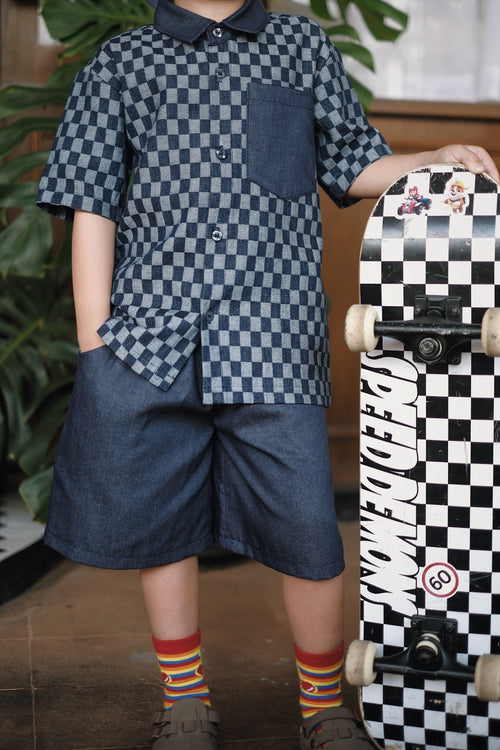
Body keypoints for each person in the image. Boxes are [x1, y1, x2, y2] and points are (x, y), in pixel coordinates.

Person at [36, 0, 499, 747]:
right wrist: (96, 342)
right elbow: (93, 204)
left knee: (307, 526)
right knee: (164, 528)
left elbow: (352, 160)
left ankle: (323, 705)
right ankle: (184, 699)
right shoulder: (120, 63)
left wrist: (425, 160)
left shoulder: (298, 45)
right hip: (148, 340)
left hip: (273, 336)